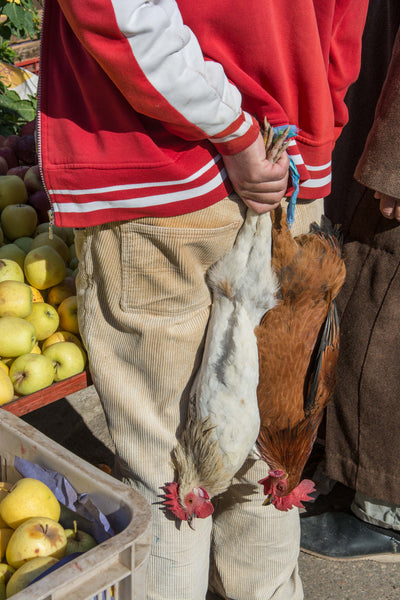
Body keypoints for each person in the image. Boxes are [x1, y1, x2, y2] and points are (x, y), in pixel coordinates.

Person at [37, 2, 368, 598]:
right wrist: (314, 133)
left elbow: (119, 10)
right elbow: (342, 25)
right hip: (288, 157)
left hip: (169, 163)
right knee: (269, 445)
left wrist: (236, 130)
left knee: (165, 456)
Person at [301, 4, 400, 561]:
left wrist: (395, 165)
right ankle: (352, 470)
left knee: (383, 312)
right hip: (373, 104)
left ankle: (384, 509)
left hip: (388, 145)